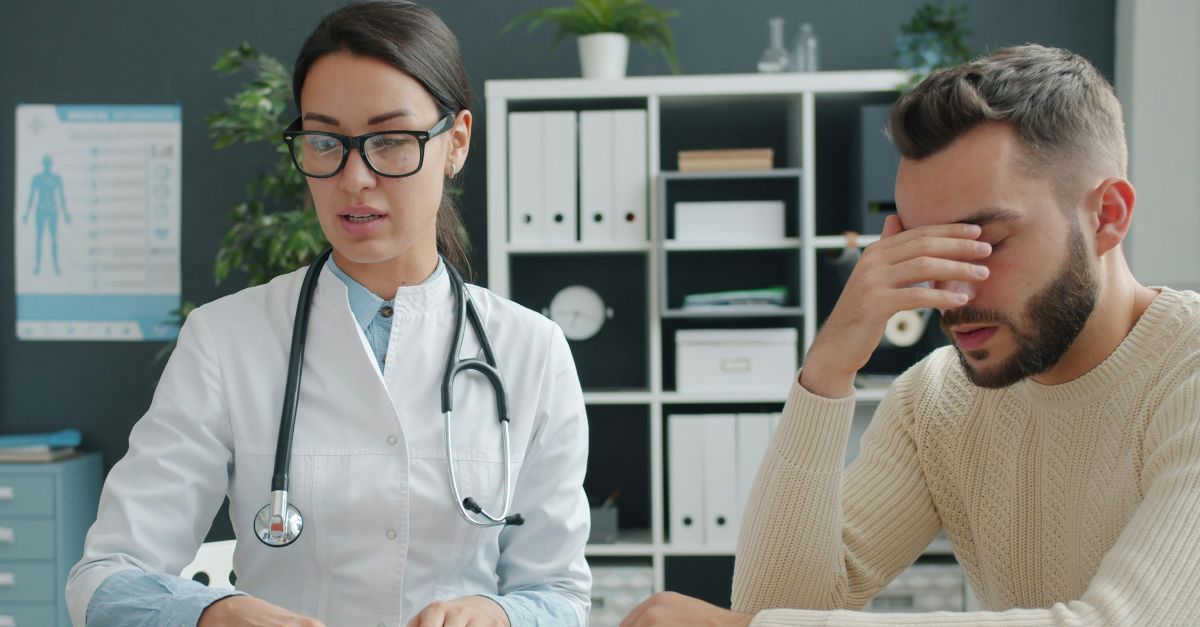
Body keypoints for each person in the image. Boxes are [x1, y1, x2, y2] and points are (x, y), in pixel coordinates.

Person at [622, 44, 1200, 626]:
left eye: (987, 244)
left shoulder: (1188, 371)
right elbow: (783, 607)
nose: (950, 289)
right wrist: (828, 369)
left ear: (1109, 215)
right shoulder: (936, 402)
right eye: (921, 246)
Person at [66, 3, 591, 626]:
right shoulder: (225, 339)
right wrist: (215, 614)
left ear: (456, 142)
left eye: (391, 141)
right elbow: (104, 580)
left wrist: (500, 617)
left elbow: (560, 595)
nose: (355, 177)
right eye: (325, 141)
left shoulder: (532, 350)